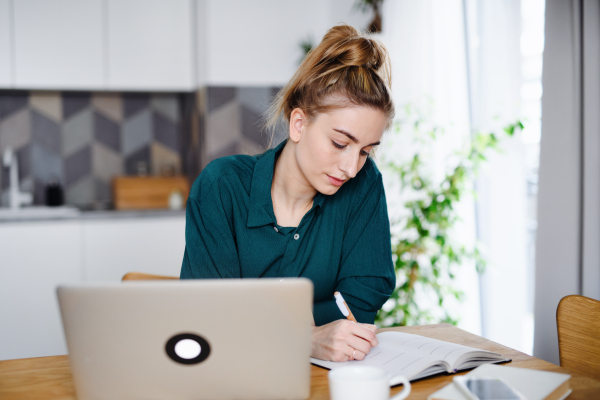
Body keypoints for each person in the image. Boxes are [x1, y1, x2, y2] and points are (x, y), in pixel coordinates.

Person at [181, 24, 395, 363]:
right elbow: (208, 316)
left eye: (365, 151)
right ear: (298, 124)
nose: (351, 167)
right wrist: (304, 337)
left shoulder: (364, 183)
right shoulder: (222, 186)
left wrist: (255, 324)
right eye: (340, 143)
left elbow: (365, 295)